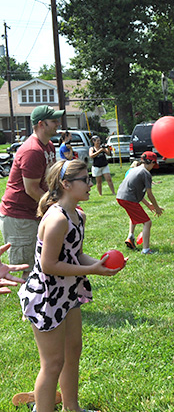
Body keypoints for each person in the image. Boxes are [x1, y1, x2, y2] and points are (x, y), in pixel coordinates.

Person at [18, 159, 125, 412]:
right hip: (46, 296)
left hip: (67, 293)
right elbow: (49, 265)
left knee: (72, 353)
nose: (90, 184)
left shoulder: (78, 215)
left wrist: (101, 264)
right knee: (53, 363)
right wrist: (90, 270)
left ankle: (72, 408)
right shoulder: (57, 219)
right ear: (66, 184)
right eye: (85, 180)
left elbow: (74, 255)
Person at [0, 105, 61, 280]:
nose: (58, 123)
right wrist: (55, 208)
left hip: (35, 211)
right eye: (54, 121)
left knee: (43, 261)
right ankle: (30, 306)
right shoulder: (32, 150)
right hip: (20, 217)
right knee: (29, 269)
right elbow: (32, 189)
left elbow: (49, 180)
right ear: (41, 124)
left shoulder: (48, 146)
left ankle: (43, 303)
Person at [117, 152, 164, 254]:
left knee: (134, 216)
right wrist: (157, 208)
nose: (153, 167)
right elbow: (149, 194)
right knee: (147, 222)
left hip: (120, 196)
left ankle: (131, 237)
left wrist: (148, 205)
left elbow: (134, 190)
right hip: (128, 199)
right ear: (151, 162)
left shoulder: (134, 169)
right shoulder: (146, 173)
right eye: (153, 165)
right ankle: (146, 249)